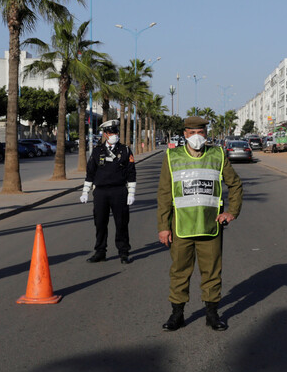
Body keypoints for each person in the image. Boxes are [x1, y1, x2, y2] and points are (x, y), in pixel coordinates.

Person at [157, 116, 243, 332]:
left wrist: (232, 212)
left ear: (206, 134)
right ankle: (177, 315)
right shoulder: (172, 156)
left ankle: (212, 315)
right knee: (179, 272)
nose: (196, 137)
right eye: (192, 132)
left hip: (210, 227)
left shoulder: (218, 154)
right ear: (185, 134)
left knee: (212, 272)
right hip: (181, 228)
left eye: (201, 132)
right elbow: (165, 194)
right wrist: (163, 227)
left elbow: (235, 184)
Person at [81, 119, 136, 264]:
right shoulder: (97, 150)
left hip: (119, 191)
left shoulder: (125, 150)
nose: (114, 135)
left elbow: (131, 172)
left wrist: (131, 193)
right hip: (101, 192)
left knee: (122, 223)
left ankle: (124, 252)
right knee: (100, 223)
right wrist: (85, 191)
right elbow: (90, 173)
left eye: (116, 132)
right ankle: (100, 252)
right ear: (105, 134)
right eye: (111, 132)